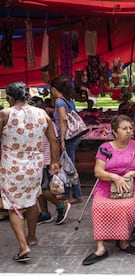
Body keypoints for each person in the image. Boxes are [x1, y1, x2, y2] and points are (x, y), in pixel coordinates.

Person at [0, 81, 60, 262]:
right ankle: (31, 237)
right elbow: (53, 140)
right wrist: (55, 162)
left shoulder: (5, 113)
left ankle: (23, 246)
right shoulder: (42, 113)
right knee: (32, 199)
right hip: (35, 165)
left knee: (13, 205)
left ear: (10, 97)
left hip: (11, 166)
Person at [82, 115, 135, 265]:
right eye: (124, 128)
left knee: (125, 206)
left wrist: (132, 173)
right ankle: (100, 248)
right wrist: (114, 177)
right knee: (98, 206)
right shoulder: (105, 148)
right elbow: (98, 172)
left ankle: (123, 242)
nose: (129, 131)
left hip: (132, 187)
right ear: (114, 131)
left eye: (131, 128)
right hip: (106, 187)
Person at [30, 96, 71, 225]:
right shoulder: (38, 122)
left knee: (42, 189)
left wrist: (55, 161)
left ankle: (60, 206)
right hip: (38, 160)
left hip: (44, 160)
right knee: (39, 189)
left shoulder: (44, 122)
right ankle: (45, 213)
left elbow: (54, 142)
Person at [49, 77, 83, 204]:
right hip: (74, 136)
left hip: (67, 137)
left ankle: (77, 194)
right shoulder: (68, 100)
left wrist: (62, 139)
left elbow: (63, 120)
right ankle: (67, 192)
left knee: (70, 166)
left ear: (53, 89)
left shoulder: (59, 101)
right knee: (67, 164)